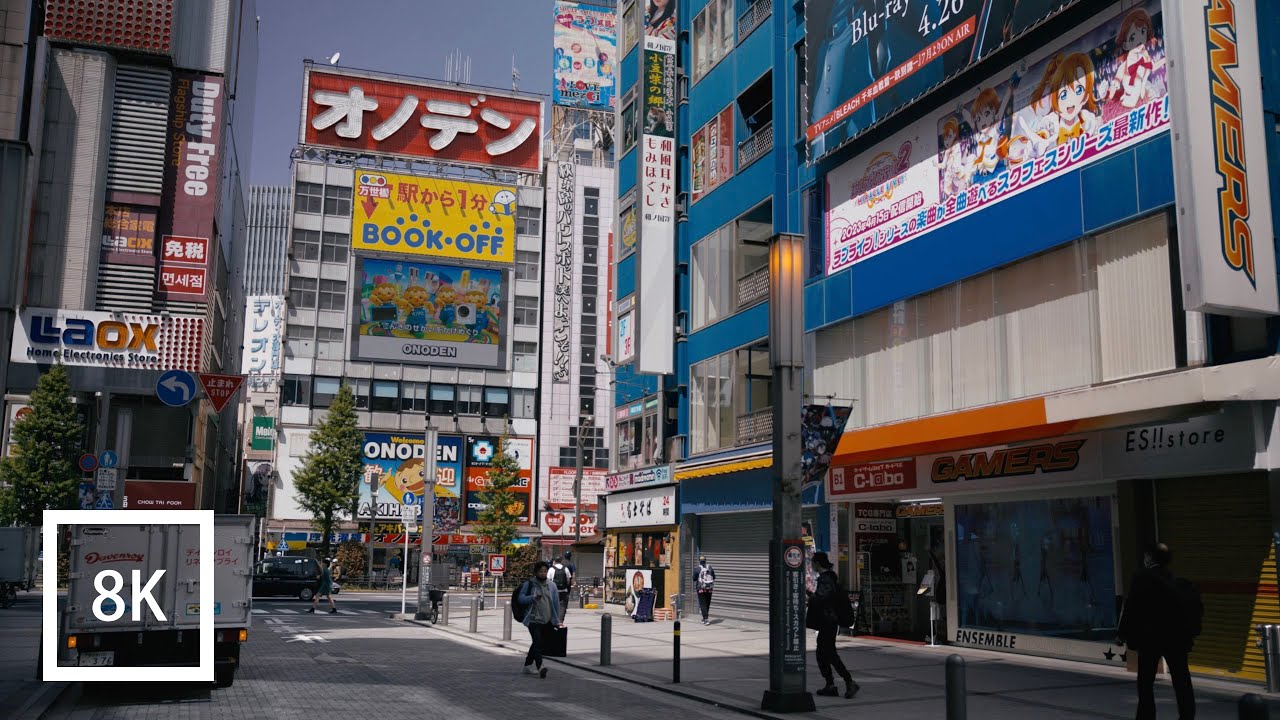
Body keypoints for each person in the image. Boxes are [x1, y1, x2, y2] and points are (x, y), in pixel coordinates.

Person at [1119, 543, 1199, 720]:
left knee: (1145, 682)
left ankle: (1146, 716)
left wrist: (1124, 634)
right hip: (1176, 638)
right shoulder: (1173, 579)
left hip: (1150, 638)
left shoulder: (1142, 578)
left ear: (1149, 558)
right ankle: (1187, 715)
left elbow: (1132, 607)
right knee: (1181, 679)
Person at [807, 552, 858, 699]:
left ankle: (849, 682)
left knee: (829, 653)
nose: (811, 565)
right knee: (823, 653)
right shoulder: (829, 577)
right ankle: (830, 685)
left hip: (828, 621)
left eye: (812, 562)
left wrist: (811, 597)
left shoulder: (826, 579)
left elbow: (823, 597)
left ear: (817, 563)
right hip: (828, 621)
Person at [517, 561, 561, 678]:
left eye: (545, 571)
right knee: (537, 642)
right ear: (536, 572)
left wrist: (557, 620)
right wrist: (532, 598)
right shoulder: (530, 584)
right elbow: (521, 599)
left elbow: (556, 604)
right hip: (533, 619)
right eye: (540, 571)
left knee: (537, 643)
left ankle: (527, 665)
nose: (543, 573)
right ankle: (540, 667)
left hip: (547, 619)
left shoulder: (552, 586)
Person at [550, 555, 573, 623]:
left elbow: (548, 581)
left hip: (554, 592)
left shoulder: (551, 569)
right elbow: (568, 580)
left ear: (554, 561)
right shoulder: (565, 569)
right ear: (561, 561)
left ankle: (554, 620)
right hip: (564, 591)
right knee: (563, 607)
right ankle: (560, 621)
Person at [693, 555, 716, 624]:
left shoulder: (697, 569)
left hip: (701, 589)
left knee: (702, 603)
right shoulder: (710, 568)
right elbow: (714, 577)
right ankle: (704, 618)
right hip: (709, 589)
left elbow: (694, 579)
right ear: (705, 561)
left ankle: (706, 619)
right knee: (707, 603)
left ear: (699, 561)